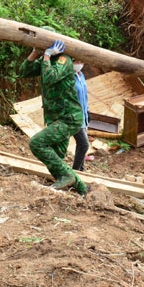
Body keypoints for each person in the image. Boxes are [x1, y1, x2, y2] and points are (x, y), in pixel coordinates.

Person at [18, 34, 87, 196]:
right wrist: (35, 53)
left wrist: (47, 55)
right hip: (57, 118)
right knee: (55, 157)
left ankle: (69, 177)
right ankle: (83, 191)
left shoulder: (64, 60)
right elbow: (23, 71)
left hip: (68, 118)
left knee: (37, 144)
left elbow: (49, 77)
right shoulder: (46, 61)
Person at [71, 59, 91, 172]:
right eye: (76, 61)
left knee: (81, 145)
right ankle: (75, 172)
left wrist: (87, 110)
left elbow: (84, 95)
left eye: (81, 61)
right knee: (84, 144)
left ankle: (81, 170)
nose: (79, 64)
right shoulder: (68, 77)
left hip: (83, 116)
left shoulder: (81, 75)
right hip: (74, 117)